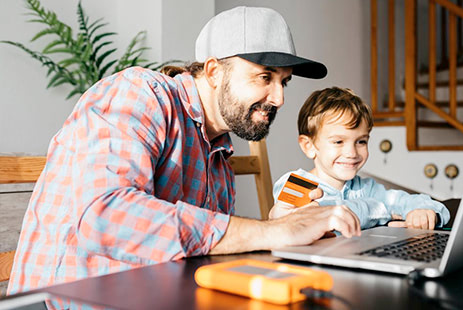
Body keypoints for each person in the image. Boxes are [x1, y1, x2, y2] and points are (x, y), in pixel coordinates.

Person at [8, 7, 361, 295]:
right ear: (213, 71)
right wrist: (269, 234)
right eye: (264, 76)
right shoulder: (138, 94)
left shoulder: (218, 151)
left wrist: (282, 229)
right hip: (66, 303)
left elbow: (200, 255)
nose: (280, 98)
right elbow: (103, 216)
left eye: (283, 82)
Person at [271, 87, 450, 230]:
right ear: (308, 146)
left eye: (361, 141)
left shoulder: (366, 188)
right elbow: (312, 218)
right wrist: (379, 209)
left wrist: (426, 212)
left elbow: (408, 201)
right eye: (339, 141)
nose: (352, 153)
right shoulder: (296, 184)